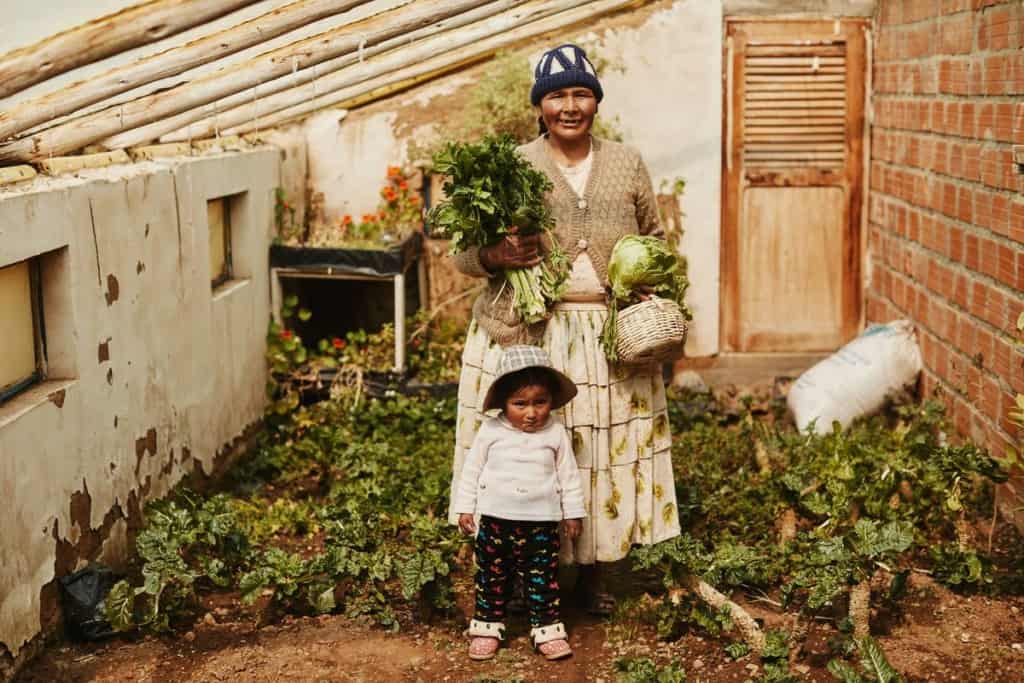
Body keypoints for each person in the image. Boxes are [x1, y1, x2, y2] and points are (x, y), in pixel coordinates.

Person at [449, 43, 681, 616]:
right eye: (557, 96)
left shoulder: (627, 162)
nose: (569, 106)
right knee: (530, 452)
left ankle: (601, 569)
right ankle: (536, 567)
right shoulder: (516, 163)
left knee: (603, 447)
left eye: (581, 93)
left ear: (596, 102)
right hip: (531, 331)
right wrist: (497, 253)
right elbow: (461, 255)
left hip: (606, 332)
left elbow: (654, 238)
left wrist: (648, 280)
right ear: (540, 106)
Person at [451, 345, 585, 661]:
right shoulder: (491, 430)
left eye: (540, 402)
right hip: (496, 520)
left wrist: (573, 514)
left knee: (542, 579)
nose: (531, 412)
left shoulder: (555, 433)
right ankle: (486, 627)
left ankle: (547, 630)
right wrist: (465, 507)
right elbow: (472, 469)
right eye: (520, 404)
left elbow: (568, 475)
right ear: (503, 403)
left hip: (542, 523)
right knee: (492, 577)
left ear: (551, 400)